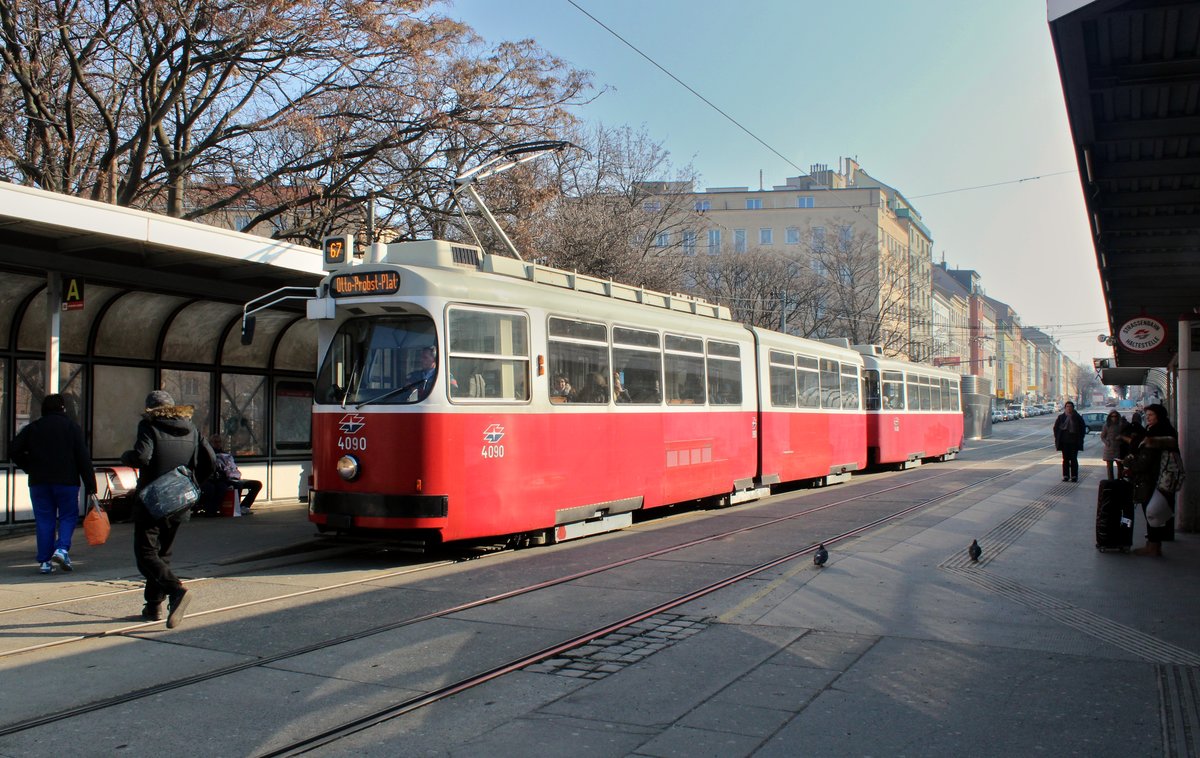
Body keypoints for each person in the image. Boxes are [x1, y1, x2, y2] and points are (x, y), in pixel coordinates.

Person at [121, 390, 214, 627]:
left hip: (152, 500)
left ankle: (176, 590)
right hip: (180, 500)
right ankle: (153, 606)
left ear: (150, 408)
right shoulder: (191, 428)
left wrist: (127, 456)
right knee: (162, 555)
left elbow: (142, 457)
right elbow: (210, 461)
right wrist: (191, 483)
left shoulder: (149, 426)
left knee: (146, 555)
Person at [10, 394, 97, 574]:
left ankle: (44, 562)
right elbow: (83, 458)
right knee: (67, 515)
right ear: (63, 408)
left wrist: (29, 467)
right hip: (66, 481)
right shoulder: (72, 428)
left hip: (39, 482)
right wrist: (91, 484)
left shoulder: (33, 428)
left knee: (44, 519)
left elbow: (13, 449)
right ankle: (62, 549)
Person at [1124, 403, 1177, 557]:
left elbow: (1145, 462)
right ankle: (1153, 544)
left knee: (1151, 512)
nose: (1148, 418)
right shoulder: (1165, 430)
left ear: (1159, 416)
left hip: (1153, 479)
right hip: (1161, 478)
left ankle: (1153, 546)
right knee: (1154, 512)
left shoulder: (1156, 434)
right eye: (1147, 415)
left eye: (1151, 415)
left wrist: (1129, 462)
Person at [207, 434, 262, 515]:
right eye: (215, 442)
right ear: (210, 443)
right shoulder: (210, 454)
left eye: (219, 442)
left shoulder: (226, 454)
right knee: (237, 485)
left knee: (257, 484)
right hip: (223, 478)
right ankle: (236, 508)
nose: (218, 444)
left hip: (233, 476)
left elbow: (232, 467)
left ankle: (244, 506)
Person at [1052, 401, 1086, 482]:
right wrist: (1057, 437)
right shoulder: (1061, 417)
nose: (1069, 408)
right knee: (1065, 459)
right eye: (1067, 406)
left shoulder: (1077, 417)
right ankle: (1066, 475)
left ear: (1073, 408)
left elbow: (1082, 428)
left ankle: (1074, 476)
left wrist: (1080, 438)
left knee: (1074, 459)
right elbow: (1056, 428)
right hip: (1064, 442)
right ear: (1065, 408)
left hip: (1074, 442)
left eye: (1070, 406)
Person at [1099, 410, 1128, 480]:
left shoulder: (1121, 425)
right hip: (1109, 448)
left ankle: (1119, 481)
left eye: (1115, 416)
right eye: (1112, 416)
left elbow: (1126, 433)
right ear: (1109, 417)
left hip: (1118, 447)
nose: (1114, 418)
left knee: (1120, 467)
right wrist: (1107, 442)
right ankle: (1111, 482)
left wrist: (1121, 437)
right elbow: (1102, 436)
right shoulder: (1106, 425)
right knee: (1109, 468)